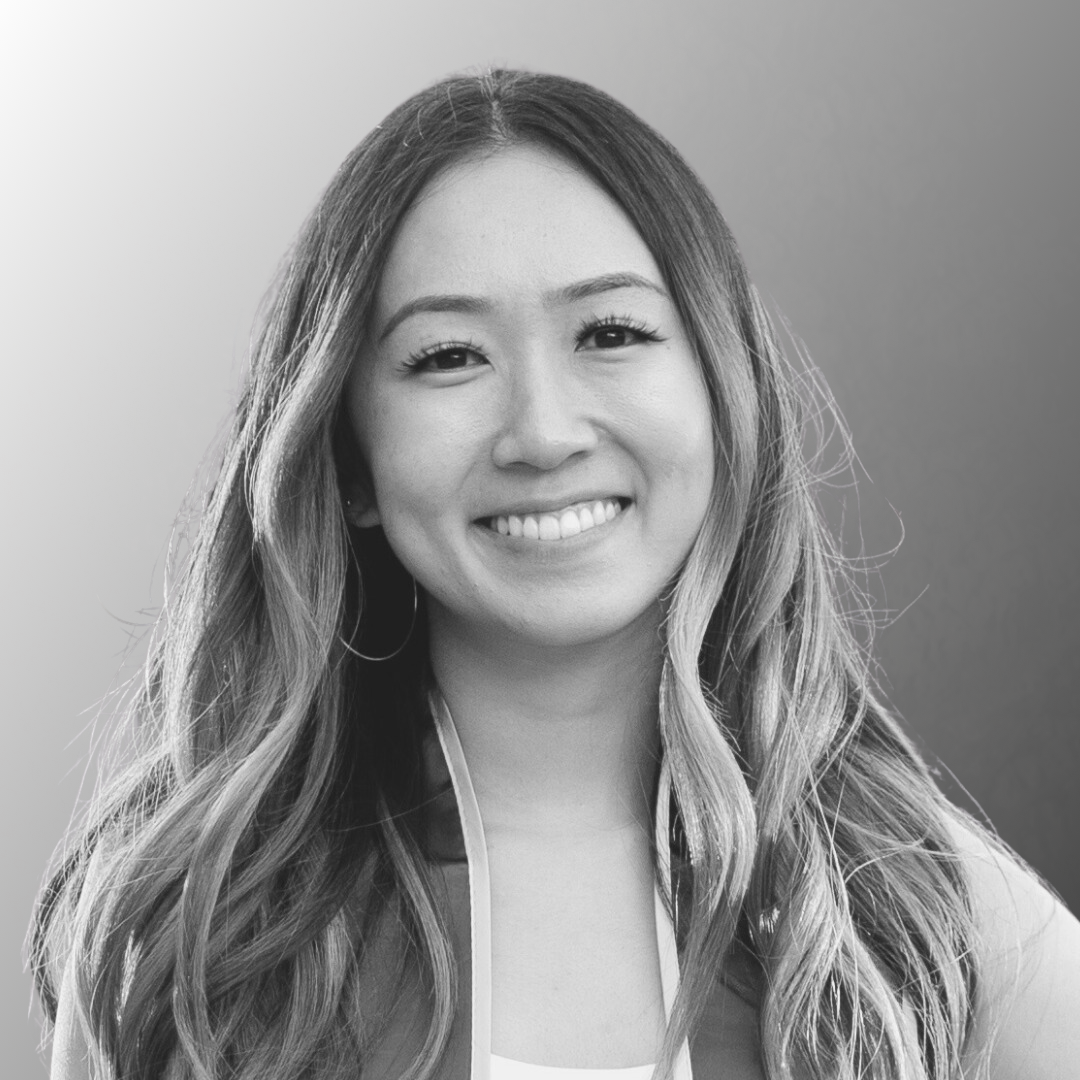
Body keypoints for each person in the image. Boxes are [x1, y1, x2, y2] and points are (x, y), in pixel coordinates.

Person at [31, 69, 1080, 1080]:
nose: (541, 431)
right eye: (449, 356)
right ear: (349, 459)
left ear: (726, 397)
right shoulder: (194, 929)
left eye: (611, 333)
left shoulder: (918, 913)